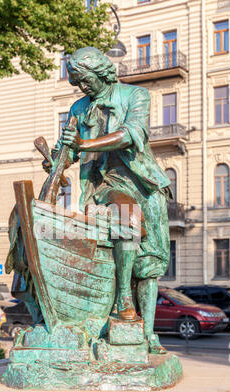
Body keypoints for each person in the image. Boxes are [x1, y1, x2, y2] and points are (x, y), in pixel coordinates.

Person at [45, 47, 171, 354]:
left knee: (150, 263)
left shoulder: (135, 96)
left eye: (85, 80)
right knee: (125, 214)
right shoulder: (78, 108)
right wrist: (57, 159)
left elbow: (133, 133)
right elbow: (72, 152)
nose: (81, 87)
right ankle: (122, 300)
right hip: (103, 184)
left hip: (143, 183)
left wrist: (84, 142)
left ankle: (149, 334)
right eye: (76, 82)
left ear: (100, 72)